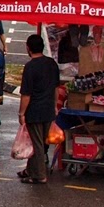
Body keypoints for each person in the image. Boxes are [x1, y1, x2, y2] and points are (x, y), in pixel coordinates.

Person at [18, 34, 60, 185]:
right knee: (41, 141)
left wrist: (22, 113)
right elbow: (56, 88)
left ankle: (39, 175)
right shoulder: (51, 64)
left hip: (34, 110)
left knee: (36, 143)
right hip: (48, 109)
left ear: (28, 48)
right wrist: (55, 105)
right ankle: (30, 170)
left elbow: (26, 94)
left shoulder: (30, 67)